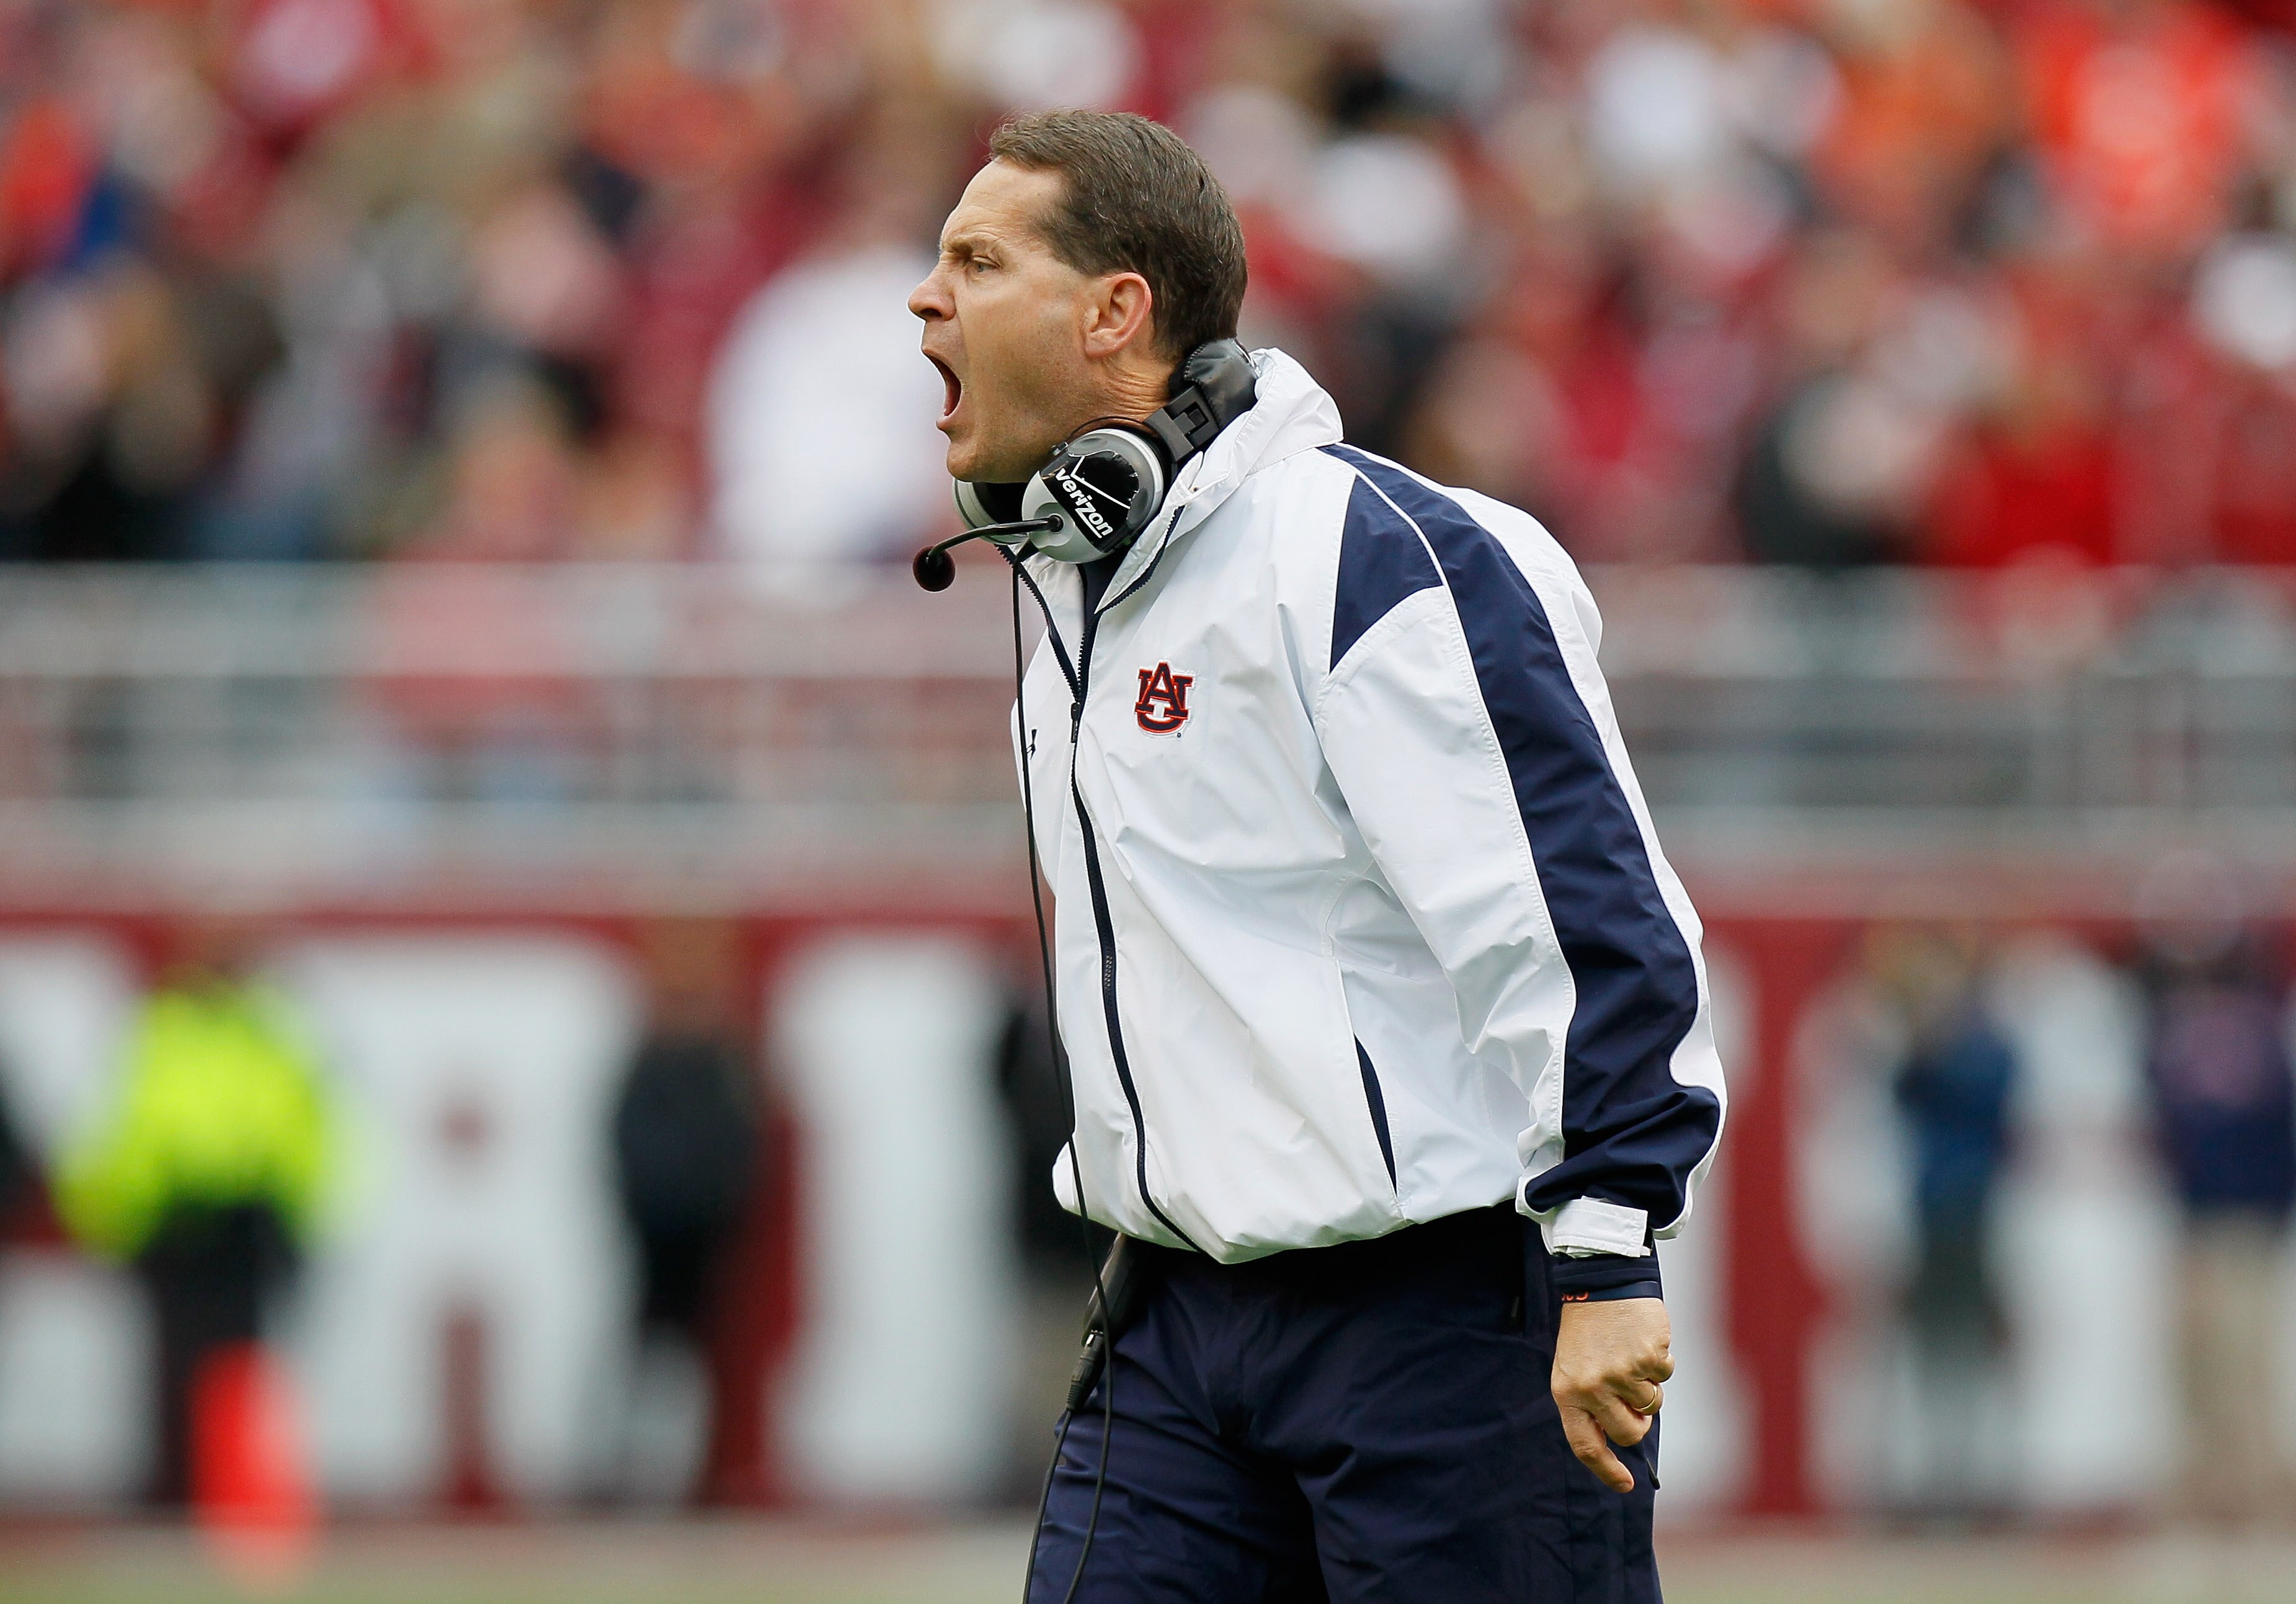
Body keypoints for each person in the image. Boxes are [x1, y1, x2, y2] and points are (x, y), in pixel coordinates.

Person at [909, 111, 1725, 1601]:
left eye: (974, 257)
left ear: (1115, 313)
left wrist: (1607, 1239)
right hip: (1172, 1323)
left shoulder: (1366, 552)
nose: (924, 296)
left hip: (1442, 1327)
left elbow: (1564, 903)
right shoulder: (1077, 594)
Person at [55, 921, 332, 1507]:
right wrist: (118, 1221)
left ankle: (237, 1500)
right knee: (174, 1368)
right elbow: (121, 1135)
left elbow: (312, 1133)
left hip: (248, 1223)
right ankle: (178, 1497)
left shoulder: (273, 1033)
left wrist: (300, 1220)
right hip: (175, 1226)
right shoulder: (165, 1032)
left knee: (241, 1370)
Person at [2135, 891, 2296, 1526]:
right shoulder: (2175, 1031)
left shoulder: (2259, 1033)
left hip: (2246, 1220)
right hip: (2194, 1223)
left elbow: (2270, 1132)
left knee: (2245, 1361)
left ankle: (2255, 1489)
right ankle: (2211, 1487)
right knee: (2197, 1366)